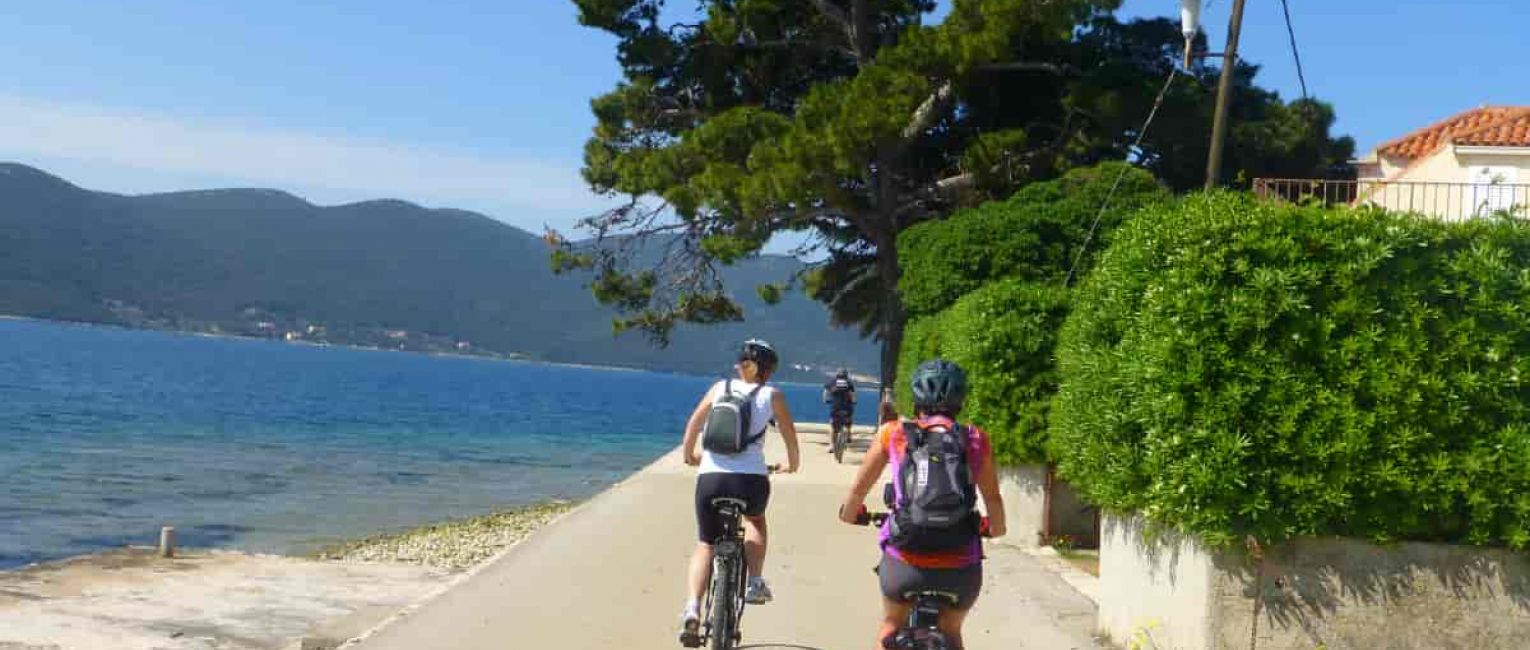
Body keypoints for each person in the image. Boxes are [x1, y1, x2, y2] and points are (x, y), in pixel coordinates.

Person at [836, 359, 1006, 650]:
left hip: (905, 560)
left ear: (916, 398)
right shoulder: (976, 438)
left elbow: (859, 488)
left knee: (891, 626)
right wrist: (995, 529)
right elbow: (993, 498)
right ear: (960, 400)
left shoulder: (894, 433)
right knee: (952, 632)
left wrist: (851, 515)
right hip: (960, 562)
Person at [678, 339, 801, 643]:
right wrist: (792, 464)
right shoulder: (773, 395)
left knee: (706, 543)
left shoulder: (720, 388)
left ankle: (692, 608)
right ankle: (755, 582)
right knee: (755, 520)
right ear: (768, 371)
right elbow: (788, 434)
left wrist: (689, 456)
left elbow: (694, 423)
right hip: (750, 480)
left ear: (740, 365)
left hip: (711, 478)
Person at [822, 368, 857, 446]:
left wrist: (825, 400)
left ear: (836, 374)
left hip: (835, 407)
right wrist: (854, 401)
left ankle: (831, 445)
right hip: (847, 407)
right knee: (848, 422)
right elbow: (853, 394)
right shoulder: (849, 382)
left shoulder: (831, 382)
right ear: (846, 375)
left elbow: (825, 392)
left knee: (832, 426)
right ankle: (848, 435)